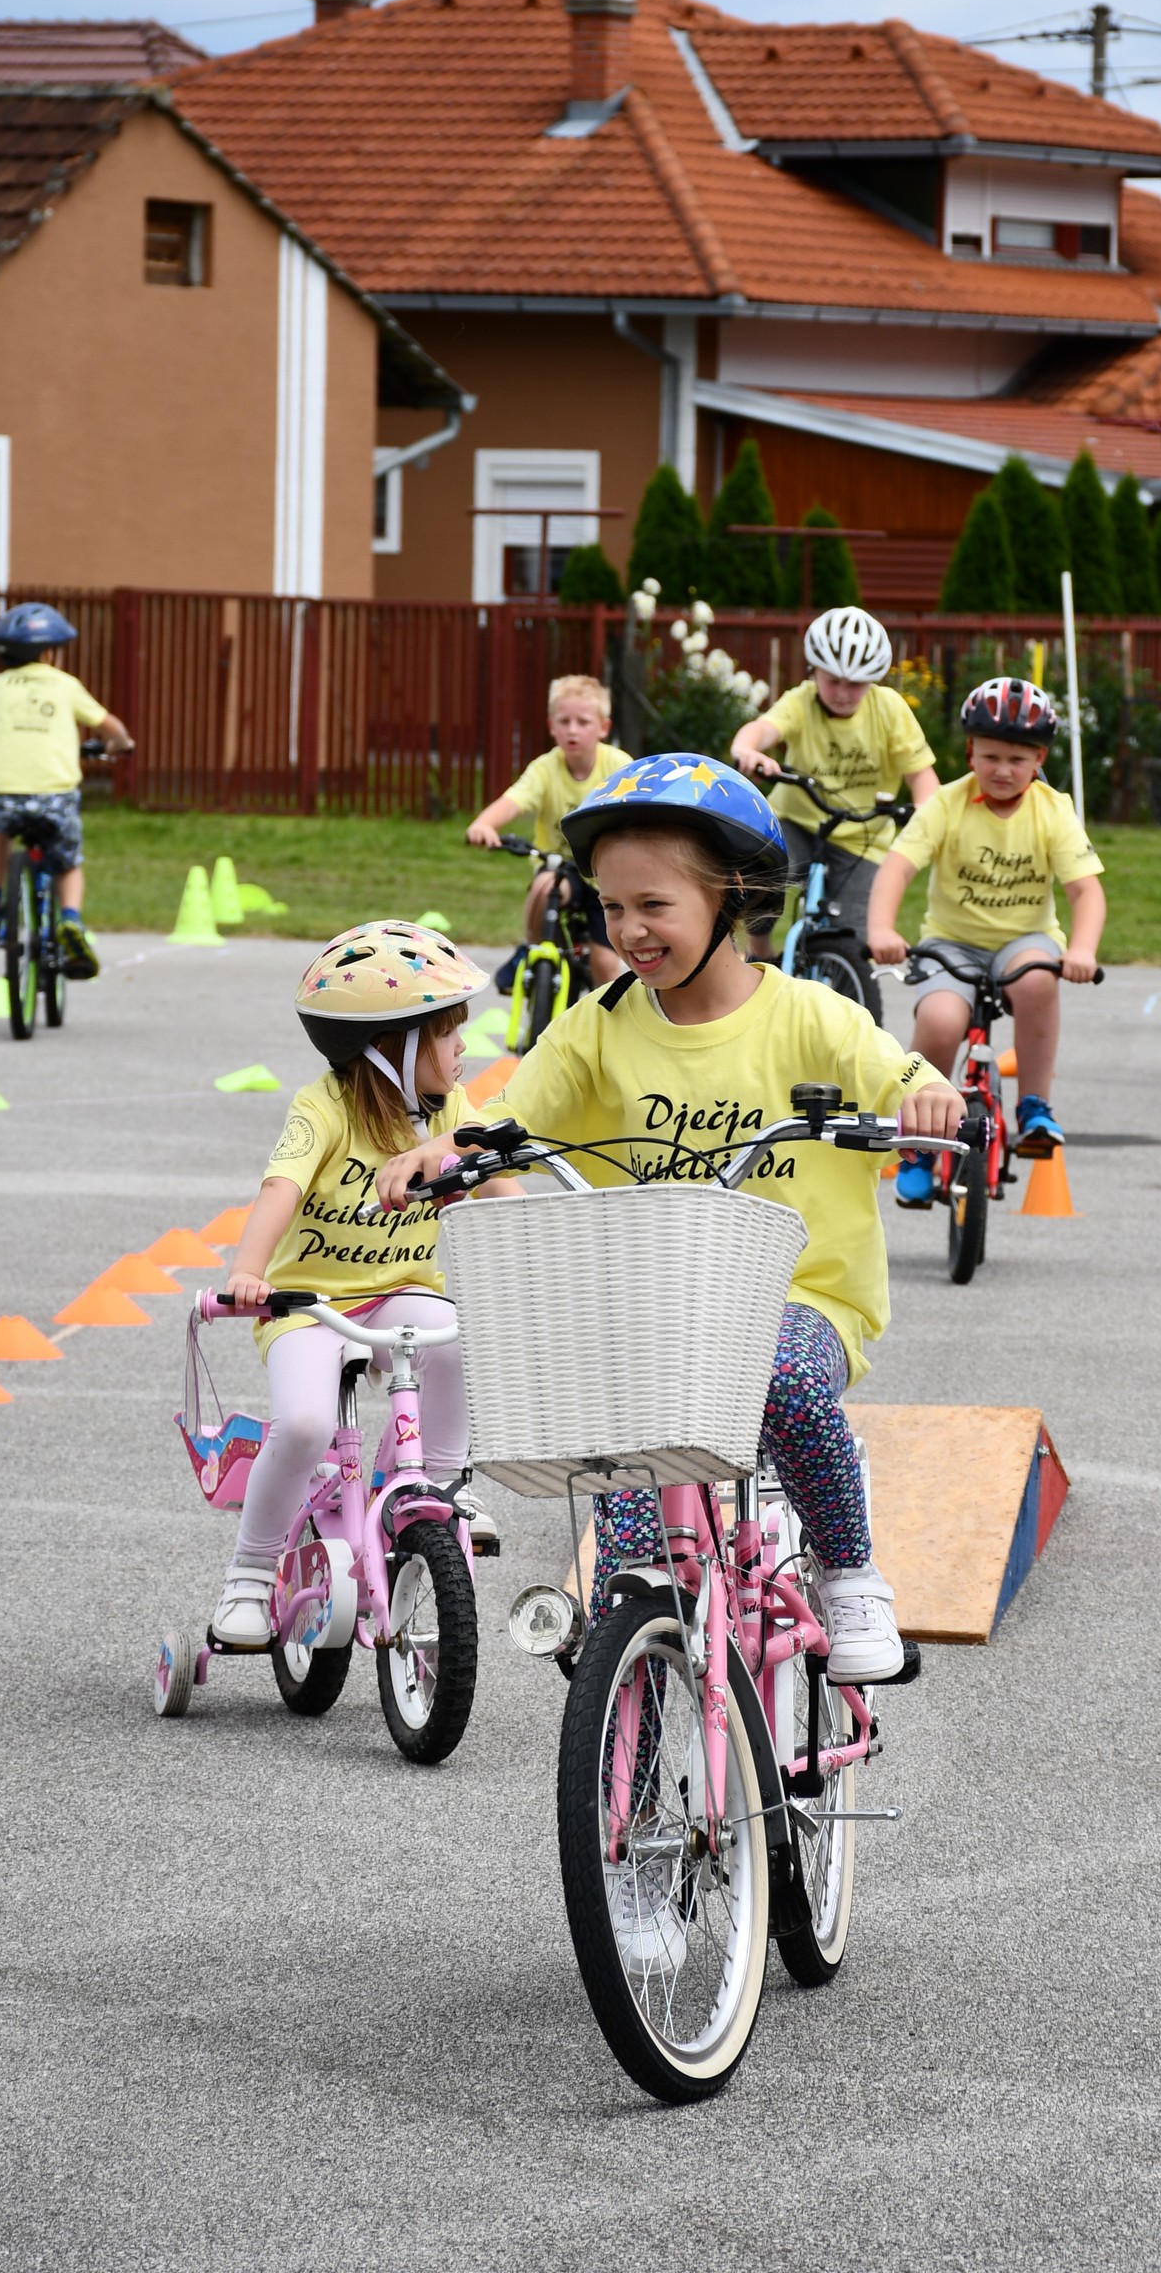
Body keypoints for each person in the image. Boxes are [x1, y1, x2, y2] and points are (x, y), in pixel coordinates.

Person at [373, 755, 966, 1686]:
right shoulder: (600, 1023)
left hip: (798, 1297)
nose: (629, 931)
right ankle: (634, 1678)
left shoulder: (810, 1015)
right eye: (612, 909)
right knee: (623, 1523)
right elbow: (506, 1119)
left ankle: (850, 1572)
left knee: (782, 1375)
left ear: (730, 898)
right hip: (652, 1309)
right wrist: (441, 1152)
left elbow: (901, 1074)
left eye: (654, 905)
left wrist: (929, 1095)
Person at [208, 921, 519, 1649]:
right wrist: (246, 1272)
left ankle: (438, 1487)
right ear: (399, 1047)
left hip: (400, 1288)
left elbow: (500, 1185)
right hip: (308, 1305)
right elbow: (280, 1188)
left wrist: (543, 1239)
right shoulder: (325, 1107)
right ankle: (249, 1577)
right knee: (308, 1426)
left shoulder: (450, 1113)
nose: (464, 1050)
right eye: (449, 1036)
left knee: (455, 1345)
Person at [865, 676, 1105, 1202]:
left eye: (1017, 760)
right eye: (990, 756)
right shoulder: (946, 806)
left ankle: (1035, 1107)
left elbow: (1086, 893)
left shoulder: (1053, 810)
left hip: (1025, 940)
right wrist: (882, 929)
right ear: (970, 751)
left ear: (1039, 758)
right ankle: (921, 1141)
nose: (1002, 770)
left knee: (1041, 981)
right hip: (951, 944)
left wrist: (1082, 951)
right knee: (940, 1019)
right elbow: (898, 869)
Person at [730, 607, 939, 961]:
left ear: (872, 680)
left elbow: (921, 776)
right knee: (759, 875)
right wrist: (748, 750)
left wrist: (925, 811)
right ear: (815, 671)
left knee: (854, 940)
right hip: (795, 822)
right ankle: (761, 952)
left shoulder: (889, 709)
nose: (842, 692)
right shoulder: (801, 701)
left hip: (862, 839)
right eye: (832, 680)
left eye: (855, 684)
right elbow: (763, 729)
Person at [0, 601, 134, 979]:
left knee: (0, 830)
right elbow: (111, 727)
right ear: (51, 652)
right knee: (68, 862)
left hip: (2, 792)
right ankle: (71, 919)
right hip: (53, 795)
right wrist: (120, 745)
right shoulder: (64, 685)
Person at [467, 673, 632, 991]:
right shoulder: (545, 768)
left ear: (603, 728)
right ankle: (529, 950)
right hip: (562, 869)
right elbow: (513, 800)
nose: (572, 730)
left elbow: (640, 806)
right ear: (551, 725)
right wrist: (484, 824)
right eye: (564, 721)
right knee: (545, 885)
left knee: (606, 967)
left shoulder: (618, 766)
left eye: (583, 722)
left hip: (607, 876)